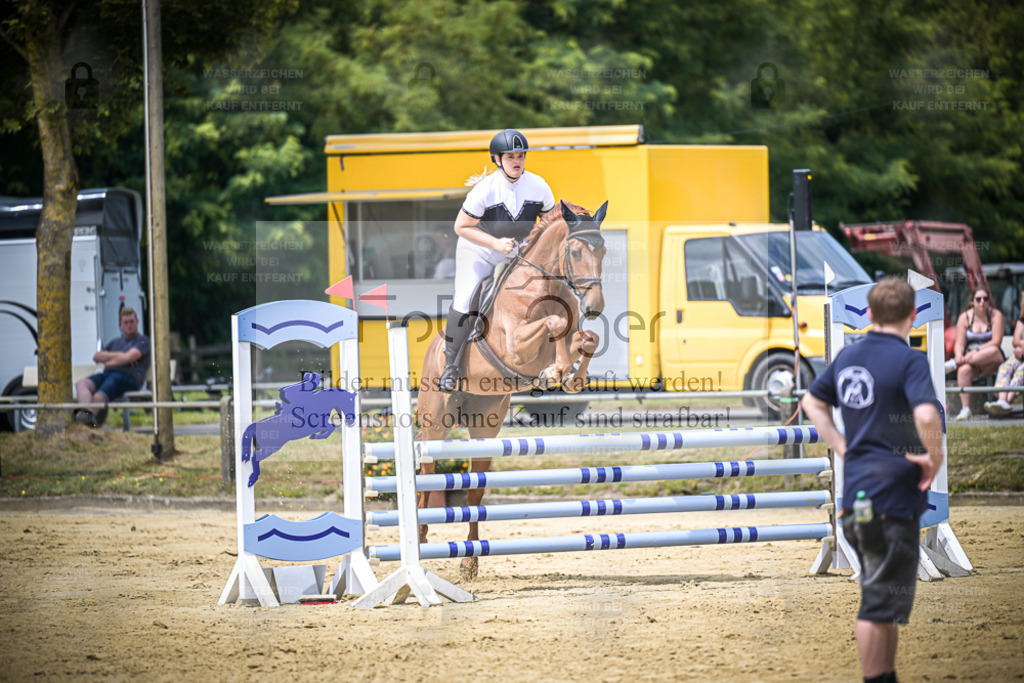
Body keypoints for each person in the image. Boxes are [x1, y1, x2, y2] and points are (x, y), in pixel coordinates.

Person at [801, 277, 943, 683]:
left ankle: (885, 676)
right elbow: (928, 415)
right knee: (878, 604)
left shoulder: (848, 357)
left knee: (881, 600)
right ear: (913, 316)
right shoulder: (909, 360)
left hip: (857, 497)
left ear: (871, 314)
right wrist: (935, 457)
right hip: (894, 499)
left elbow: (811, 401)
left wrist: (843, 447)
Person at [437, 128, 556, 392]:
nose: (517, 161)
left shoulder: (539, 186)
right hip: (479, 249)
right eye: (511, 156)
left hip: (518, 252)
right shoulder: (485, 189)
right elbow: (461, 226)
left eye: (521, 156)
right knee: (466, 297)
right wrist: (494, 244)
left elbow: (550, 224)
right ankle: (450, 366)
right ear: (497, 160)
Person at [74, 307, 151, 426]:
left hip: (128, 379)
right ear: (121, 324)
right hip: (107, 375)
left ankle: (83, 424)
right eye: (126, 322)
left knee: (99, 394)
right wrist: (121, 355)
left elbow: (129, 358)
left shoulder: (142, 341)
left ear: (137, 322)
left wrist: (109, 361)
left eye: (131, 321)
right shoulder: (116, 342)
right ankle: (87, 421)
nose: (129, 325)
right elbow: (97, 356)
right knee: (81, 384)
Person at [946, 286, 1005, 420]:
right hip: (973, 361)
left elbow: (996, 342)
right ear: (972, 301)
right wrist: (959, 354)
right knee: (963, 371)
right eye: (978, 299)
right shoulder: (964, 317)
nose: (982, 302)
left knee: (992, 350)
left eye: (985, 298)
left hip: (993, 358)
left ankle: (953, 364)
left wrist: (975, 351)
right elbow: (959, 344)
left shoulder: (996, 315)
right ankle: (966, 409)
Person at [984, 293, 1024, 416]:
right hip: (1020, 356)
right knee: (1005, 367)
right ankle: (1001, 401)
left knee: (1021, 371)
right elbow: (1015, 340)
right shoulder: (1022, 320)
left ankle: (1007, 401)